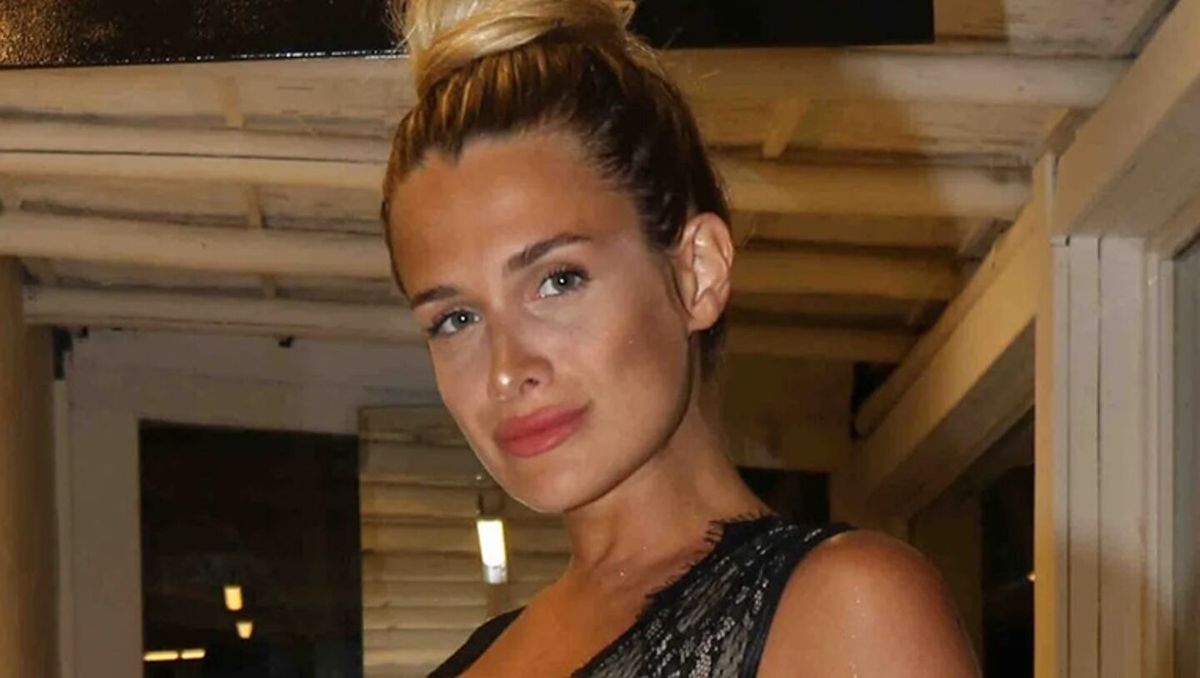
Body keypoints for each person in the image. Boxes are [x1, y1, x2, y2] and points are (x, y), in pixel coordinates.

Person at [380, 0, 980, 675]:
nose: (505, 370)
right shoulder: (472, 661)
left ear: (698, 272)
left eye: (557, 281)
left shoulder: (846, 608)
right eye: (455, 319)